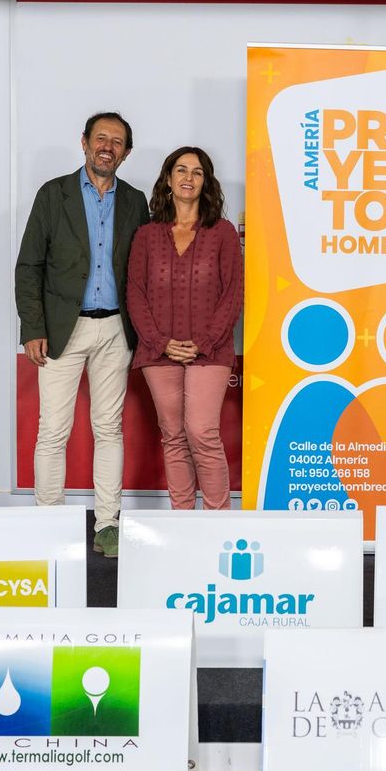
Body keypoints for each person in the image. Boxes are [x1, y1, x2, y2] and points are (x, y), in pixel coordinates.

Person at [15, 112, 148, 557]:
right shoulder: (53, 195)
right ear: (85, 142)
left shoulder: (135, 201)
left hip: (116, 329)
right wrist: (33, 327)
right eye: (101, 138)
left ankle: (107, 524)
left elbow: (142, 271)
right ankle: (49, 523)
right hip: (61, 329)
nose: (108, 147)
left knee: (109, 428)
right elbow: (29, 266)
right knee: (53, 430)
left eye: (117, 141)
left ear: (126, 153)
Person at [127, 146, 242, 511]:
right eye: (181, 170)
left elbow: (233, 293)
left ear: (206, 182)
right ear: (168, 180)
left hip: (210, 352)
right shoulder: (146, 235)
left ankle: (217, 522)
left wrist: (204, 342)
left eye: (197, 171)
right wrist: (160, 342)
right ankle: (183, 521)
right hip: (158, 352)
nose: (188, 177)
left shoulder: (222, 232)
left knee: (202, 433)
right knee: (173, 436)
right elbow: (135, 293)